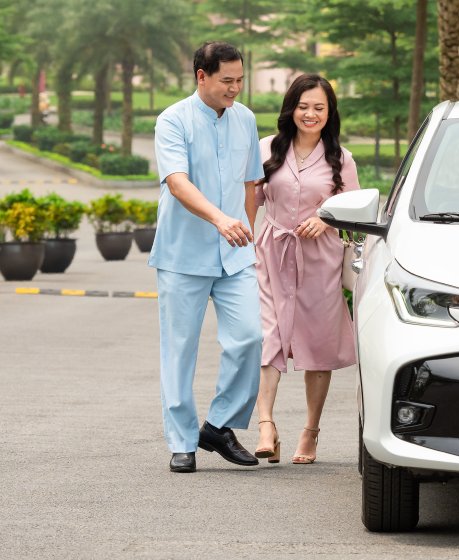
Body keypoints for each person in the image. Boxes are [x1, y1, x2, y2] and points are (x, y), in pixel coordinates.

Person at [152, 41, 264, 473]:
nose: (234, 88)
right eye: (226, 80)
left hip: (235, 255)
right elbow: (177, 182)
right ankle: (182, 442)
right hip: (183, 254)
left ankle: (218, 426)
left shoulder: (245, 119)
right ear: (202, 76)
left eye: (240, 80)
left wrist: (246, 230)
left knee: (249, 337)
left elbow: (251, 183)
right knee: (179, 350)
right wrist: (220, 219)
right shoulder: (173, 120)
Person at [252, 74, 358, 465]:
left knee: (318, 344)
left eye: (318, 107)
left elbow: (354, 209)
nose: (310, 114)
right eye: (303, 106)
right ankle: (266, 426)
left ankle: (310, 431)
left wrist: (325, 219)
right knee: (268, 336)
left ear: (329, 113)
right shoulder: (267, 148)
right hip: (272, 253)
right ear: (291, 108)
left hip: (320, 260)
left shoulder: (341, 158)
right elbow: (250, 198)